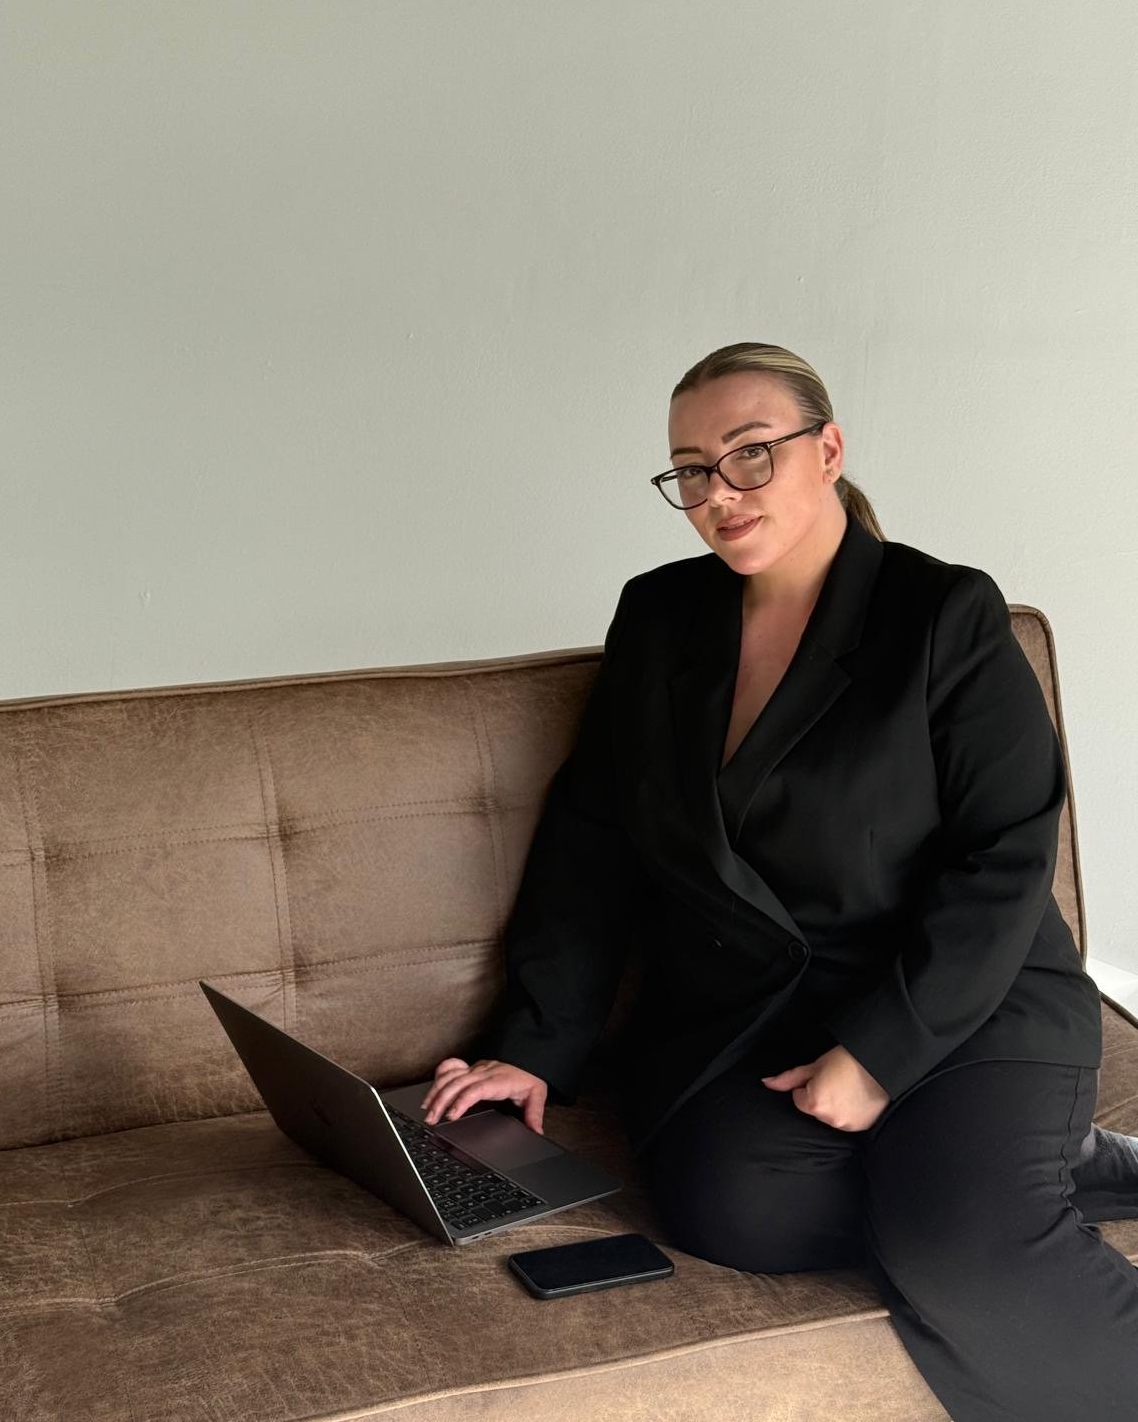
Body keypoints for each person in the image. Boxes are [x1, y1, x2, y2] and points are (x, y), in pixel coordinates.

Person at [420, 342, 1138, 1419]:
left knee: (963, 1251)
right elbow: (593, 840)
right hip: (757, 1019)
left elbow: (1006, 857)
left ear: (827, 447)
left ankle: (1006, 1181)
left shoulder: (944, 615)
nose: (719, 492)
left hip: (963, 1002)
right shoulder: (662, 618)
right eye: (691, 470)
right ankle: (1054, 1168)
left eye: (751, 454)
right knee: (731, 1213)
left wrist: (881, 1056)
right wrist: (531, 1046)